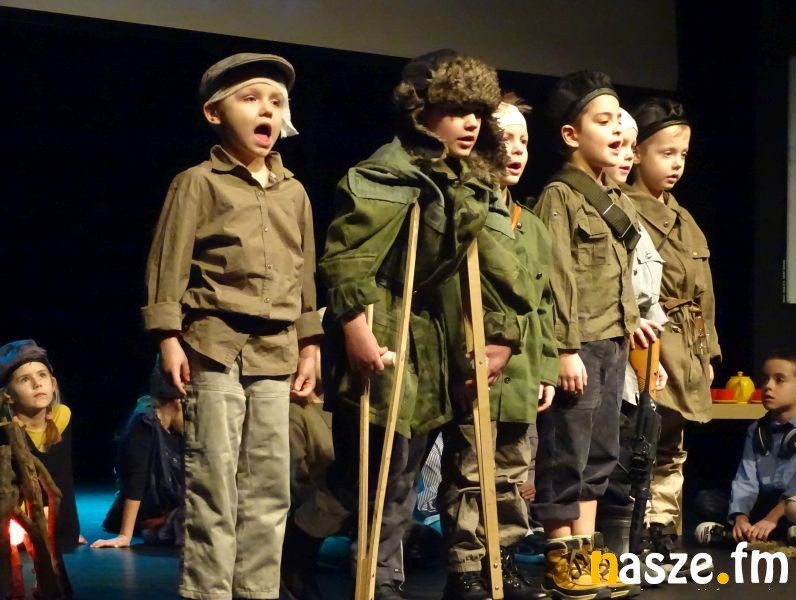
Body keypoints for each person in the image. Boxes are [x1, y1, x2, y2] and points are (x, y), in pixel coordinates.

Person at [282, 49, 531, 600]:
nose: (470, 123)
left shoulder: (474, 181)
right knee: (372, 470)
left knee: (413, 468)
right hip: (388, 326)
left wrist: (502, 335)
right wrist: (355, 329)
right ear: (421, 111)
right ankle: (303, 552)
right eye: (455, 110)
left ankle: (387, 576)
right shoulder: (385, 173)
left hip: (439, 337)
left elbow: (498, 266)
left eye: (477, 112)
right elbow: (348, 259)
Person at [142, 53, 323, 599]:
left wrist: (310, 343)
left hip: (276, 351)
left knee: (269, 490)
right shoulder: (197, 183)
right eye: (251, 99)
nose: (267, 110)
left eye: (276, 102)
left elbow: (305, 273)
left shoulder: (294, 192)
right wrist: (169, 337)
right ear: (214, 113)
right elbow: (168, 263)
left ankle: (258, 592)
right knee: (214, 484)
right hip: (214, 345)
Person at [437, 95, 556, 600]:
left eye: (524, 140)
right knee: (471, 469)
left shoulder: (532, 226)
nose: (517, 150)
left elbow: (544, 304)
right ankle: (467, 566)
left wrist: (547, 368)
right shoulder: (466, 210)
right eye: (505, 139)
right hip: (478, 366)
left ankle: (500, 559)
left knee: (511, 472)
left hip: (522, 374)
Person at [531, 71, 644, 600]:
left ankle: (587, 554)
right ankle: (562, 557)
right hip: (579, 345)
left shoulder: (612, 194)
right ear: (572, 135)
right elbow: (556, 278)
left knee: (600, 453)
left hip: (611, 341)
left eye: (619, 119)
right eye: (604, 120)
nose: (618, 129)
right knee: (566, 453)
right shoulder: (561, 195)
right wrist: (564, 349)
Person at [624, 98, 722, 560]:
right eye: (666, 153)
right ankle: (638, 529)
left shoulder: (685, 220)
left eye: (682, 154)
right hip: (651, 341)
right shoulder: (624, 210)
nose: (677, 164)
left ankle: (662, 527)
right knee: (642, 441)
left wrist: (709, 355)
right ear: (637, 152)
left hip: (688, 346)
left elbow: (705, 293)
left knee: (672, 447)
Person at [600, 109, 668, 514]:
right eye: (619, 145)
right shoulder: (581, 207)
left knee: (632, 465)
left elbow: (649, 296)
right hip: (605, 354)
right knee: (604, 467)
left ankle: (626, 543)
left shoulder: (629, 214)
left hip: (637, 363)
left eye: (631, 146)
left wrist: (653, 362)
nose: (627, 155)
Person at [694, 351, 796, 547]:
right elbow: (746, 478)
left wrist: (772, 518)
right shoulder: (756, 429)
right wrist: (740, 516)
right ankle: (763, 533)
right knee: (707, 500)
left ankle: (738, 536)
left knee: (795, 510)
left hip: (791, 504)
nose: (768, 386)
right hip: (764, 504)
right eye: (765, 379)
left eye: (779, 380)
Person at [0, 339, 83, 550]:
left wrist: (64, 524)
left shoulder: (61, 416)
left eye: (42, 375)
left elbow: (61, 477)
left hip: (61, 532)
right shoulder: (5, 429)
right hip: (20, 526)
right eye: (24, 379)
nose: (37, 384)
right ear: (8, 395)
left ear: (53, 384)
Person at [92, 365, 185, 548]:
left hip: (170, 508)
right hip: (148, 511)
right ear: (178, 402)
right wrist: (124, 536)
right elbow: (136, 480)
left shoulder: (176, 431)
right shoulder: (144, 424)